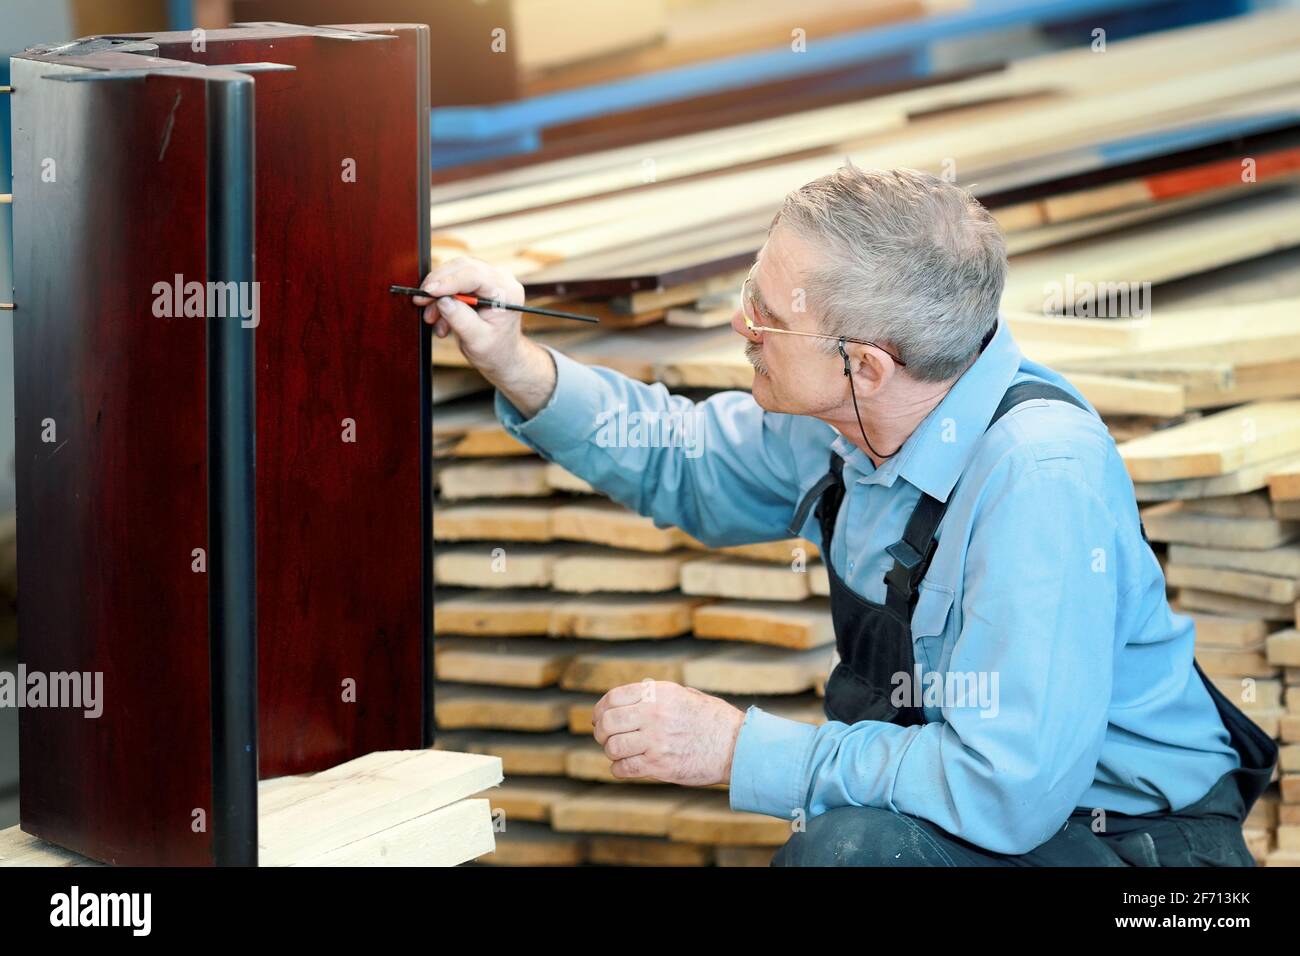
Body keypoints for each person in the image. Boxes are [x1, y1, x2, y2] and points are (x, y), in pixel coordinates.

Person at [416, 165, 1276, 866]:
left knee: (851, 854)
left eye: (765, 314)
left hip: (1136, 851)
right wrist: (516, 361)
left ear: (864, 365)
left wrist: (735, 749)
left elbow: (1006, 790)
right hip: (997, 816)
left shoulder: (1040, 479)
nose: (737, 324)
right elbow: (682, 456)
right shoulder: (850, 420)